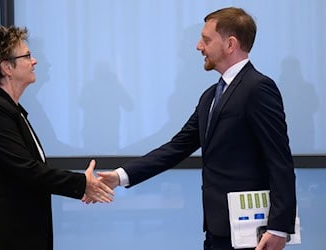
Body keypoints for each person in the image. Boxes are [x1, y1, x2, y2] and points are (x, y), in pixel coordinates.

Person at [93, 7, 296, 250]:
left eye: (206, 39)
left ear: (230, 44)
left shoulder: (258, 88)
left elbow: (279, 159)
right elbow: (177, 147)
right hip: (217, 228)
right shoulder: (210, 96)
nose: (199, 46)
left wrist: (278, 227)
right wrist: (119, 176)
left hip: (251, 232)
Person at [0, 26, 114, 250]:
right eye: (27, 56)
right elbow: (27, 170)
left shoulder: (11, 109)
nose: (35, 61)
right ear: (7, 67)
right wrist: (81, 183)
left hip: (14, 231)